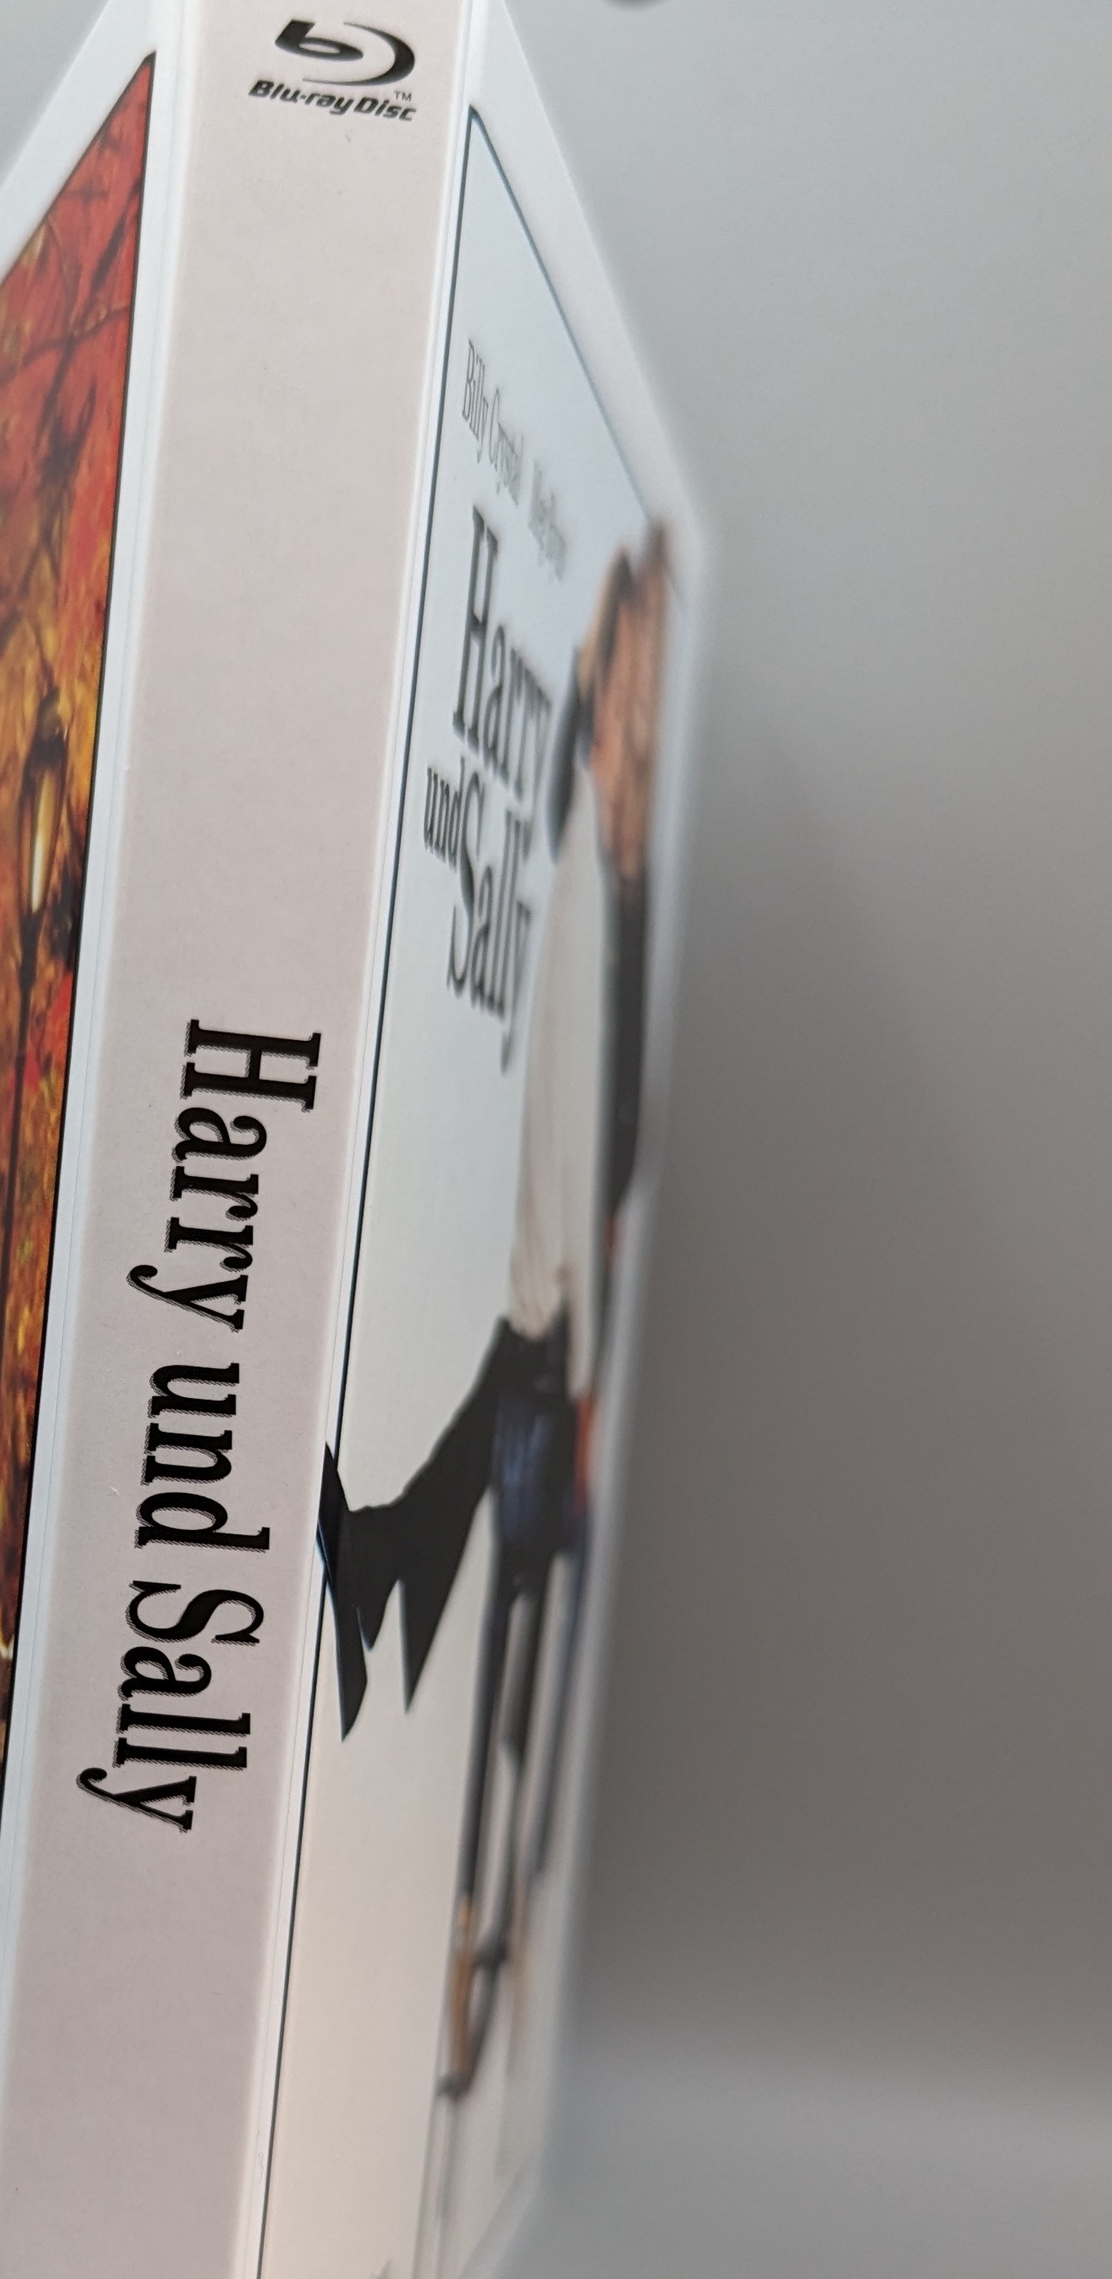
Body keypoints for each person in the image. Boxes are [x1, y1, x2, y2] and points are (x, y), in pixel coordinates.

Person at [320, 534, 665, 2098]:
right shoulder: (588, 882)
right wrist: (581, 1374)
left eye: (645, 689)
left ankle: (381, 1566)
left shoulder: (621, 880)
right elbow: (571, 1154)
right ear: (603, 694)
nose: (635, 716)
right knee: (516, 1647)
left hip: (558, 1333)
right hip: (551, 1342)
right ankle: (472, 1951)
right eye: (625, 682)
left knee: (519, 1636)